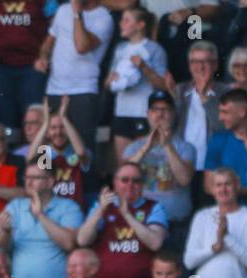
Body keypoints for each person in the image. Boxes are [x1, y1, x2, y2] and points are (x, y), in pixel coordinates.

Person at [76, 165, 169, 278]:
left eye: (136, 181)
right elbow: (82, 240)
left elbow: (155, 243)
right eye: (124, 180)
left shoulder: (154, 207)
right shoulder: (102, 206)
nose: (130, 185)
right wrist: (100, 210)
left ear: (143, 185)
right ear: (115, 183)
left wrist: (126, 214)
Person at [0, 163, 83, 278]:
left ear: (49, 182)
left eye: (35, 177)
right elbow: (0, 248)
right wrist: (5, 232)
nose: (29, 182)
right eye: (27, 177)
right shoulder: (15, 206)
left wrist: (40, 215)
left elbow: (69, 244)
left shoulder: (68, 207)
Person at [40, 0, 114, 156]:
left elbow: (81, 46)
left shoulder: (104, 18)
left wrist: (77, 14)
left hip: (83, 90)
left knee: (82, 145)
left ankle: (83, 180)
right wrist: (43, 56)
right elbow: (48, 42)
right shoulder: (63, 10)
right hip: (54, 88)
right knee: (48, 140)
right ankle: (45, 178)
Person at [184, 169, 247, 278]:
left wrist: (227, 237)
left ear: (237, 186)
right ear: (212, 189)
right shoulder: (202, 216)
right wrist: (213, 249)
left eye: (228, 184)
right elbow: (189, 261)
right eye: (218, 185)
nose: (223, 189)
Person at [0, 0, 51, 130]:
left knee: (35, 121)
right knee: (4, 122)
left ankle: (37, 150)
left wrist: (44, 55)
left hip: (33, 67)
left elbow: (55, 24)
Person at [124, 91, 196, 231]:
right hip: (142, 220)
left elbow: (184, 179)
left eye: (166, 109)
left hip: (175, 222)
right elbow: (123, 177)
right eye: (155, 109)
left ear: (173, 114)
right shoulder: (134, 148)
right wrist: (146, 148)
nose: (160, 114)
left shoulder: (186, 147)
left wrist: (167, 145)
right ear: (148, 114)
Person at [106, 7, 167, 163]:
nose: (121, 24)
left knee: (143, 163)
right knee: (123, 165)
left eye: (126, 20)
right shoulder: (120, 49)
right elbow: (108, 83)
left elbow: (163, 85)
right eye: (121, 20)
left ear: (140, 25)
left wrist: (144, 67)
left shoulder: (155, 49)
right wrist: (111, 80)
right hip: (121, 112)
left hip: (143, 113)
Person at [170, 41, 228, 173]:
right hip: (182, 164)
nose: (200, 67)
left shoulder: (225, 92)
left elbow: (222, 126)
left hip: (213, 166)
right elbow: (170, 126)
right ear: (189, 66)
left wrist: (204, 98)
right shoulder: (180, 90)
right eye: (195, 62)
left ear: (215, 65)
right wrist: (172, 97)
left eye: (206, 61)